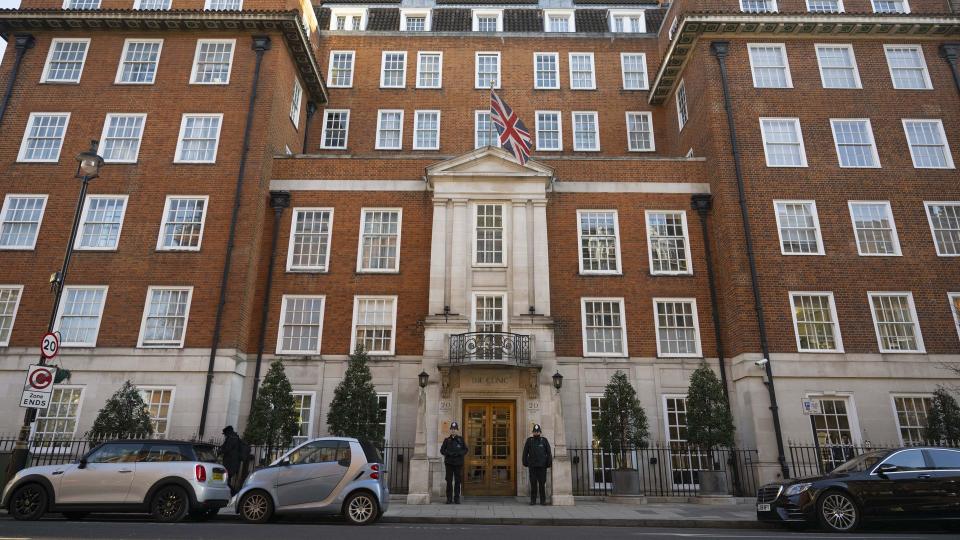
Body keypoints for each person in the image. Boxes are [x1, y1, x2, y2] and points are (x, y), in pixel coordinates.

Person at [522, 424, 552, 505]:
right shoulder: (529, 440)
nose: (536, 433)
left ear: (540, 432)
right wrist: (525, 462)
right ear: (533, 432)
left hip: (542, 466)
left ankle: (543, 501)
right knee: (533, 484)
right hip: (532, 466)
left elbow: (548, 452)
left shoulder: (544, 440)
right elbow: (525, 452)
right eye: (535, 432)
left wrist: (548, 463)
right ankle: (533, 500)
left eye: (537, 431)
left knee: (542, 484)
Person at [440, 421, 468, 504]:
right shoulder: (446, 440)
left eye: (455, 429)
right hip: (449, 463)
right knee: (449, 481)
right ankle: (449, 498)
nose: (453, 430)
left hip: (458, 463)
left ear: (457, 430)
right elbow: (442, 450)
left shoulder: (461, 440)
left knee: (457, 481)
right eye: (452, 429)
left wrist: (459, 454)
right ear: (450, 430)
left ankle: (456, 498)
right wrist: (448, 453)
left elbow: (466, 450)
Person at [220, 425, 243, 496]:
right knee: (227, 479)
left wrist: (220, 451)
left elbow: (226, 449)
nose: (225, 436)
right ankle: (230, 493)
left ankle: (234, 494)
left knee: (226, 479)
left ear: (227, 432)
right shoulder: (235, 437)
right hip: (233, 463)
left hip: (230, 463)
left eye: (225, 434)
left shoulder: (231, 438)